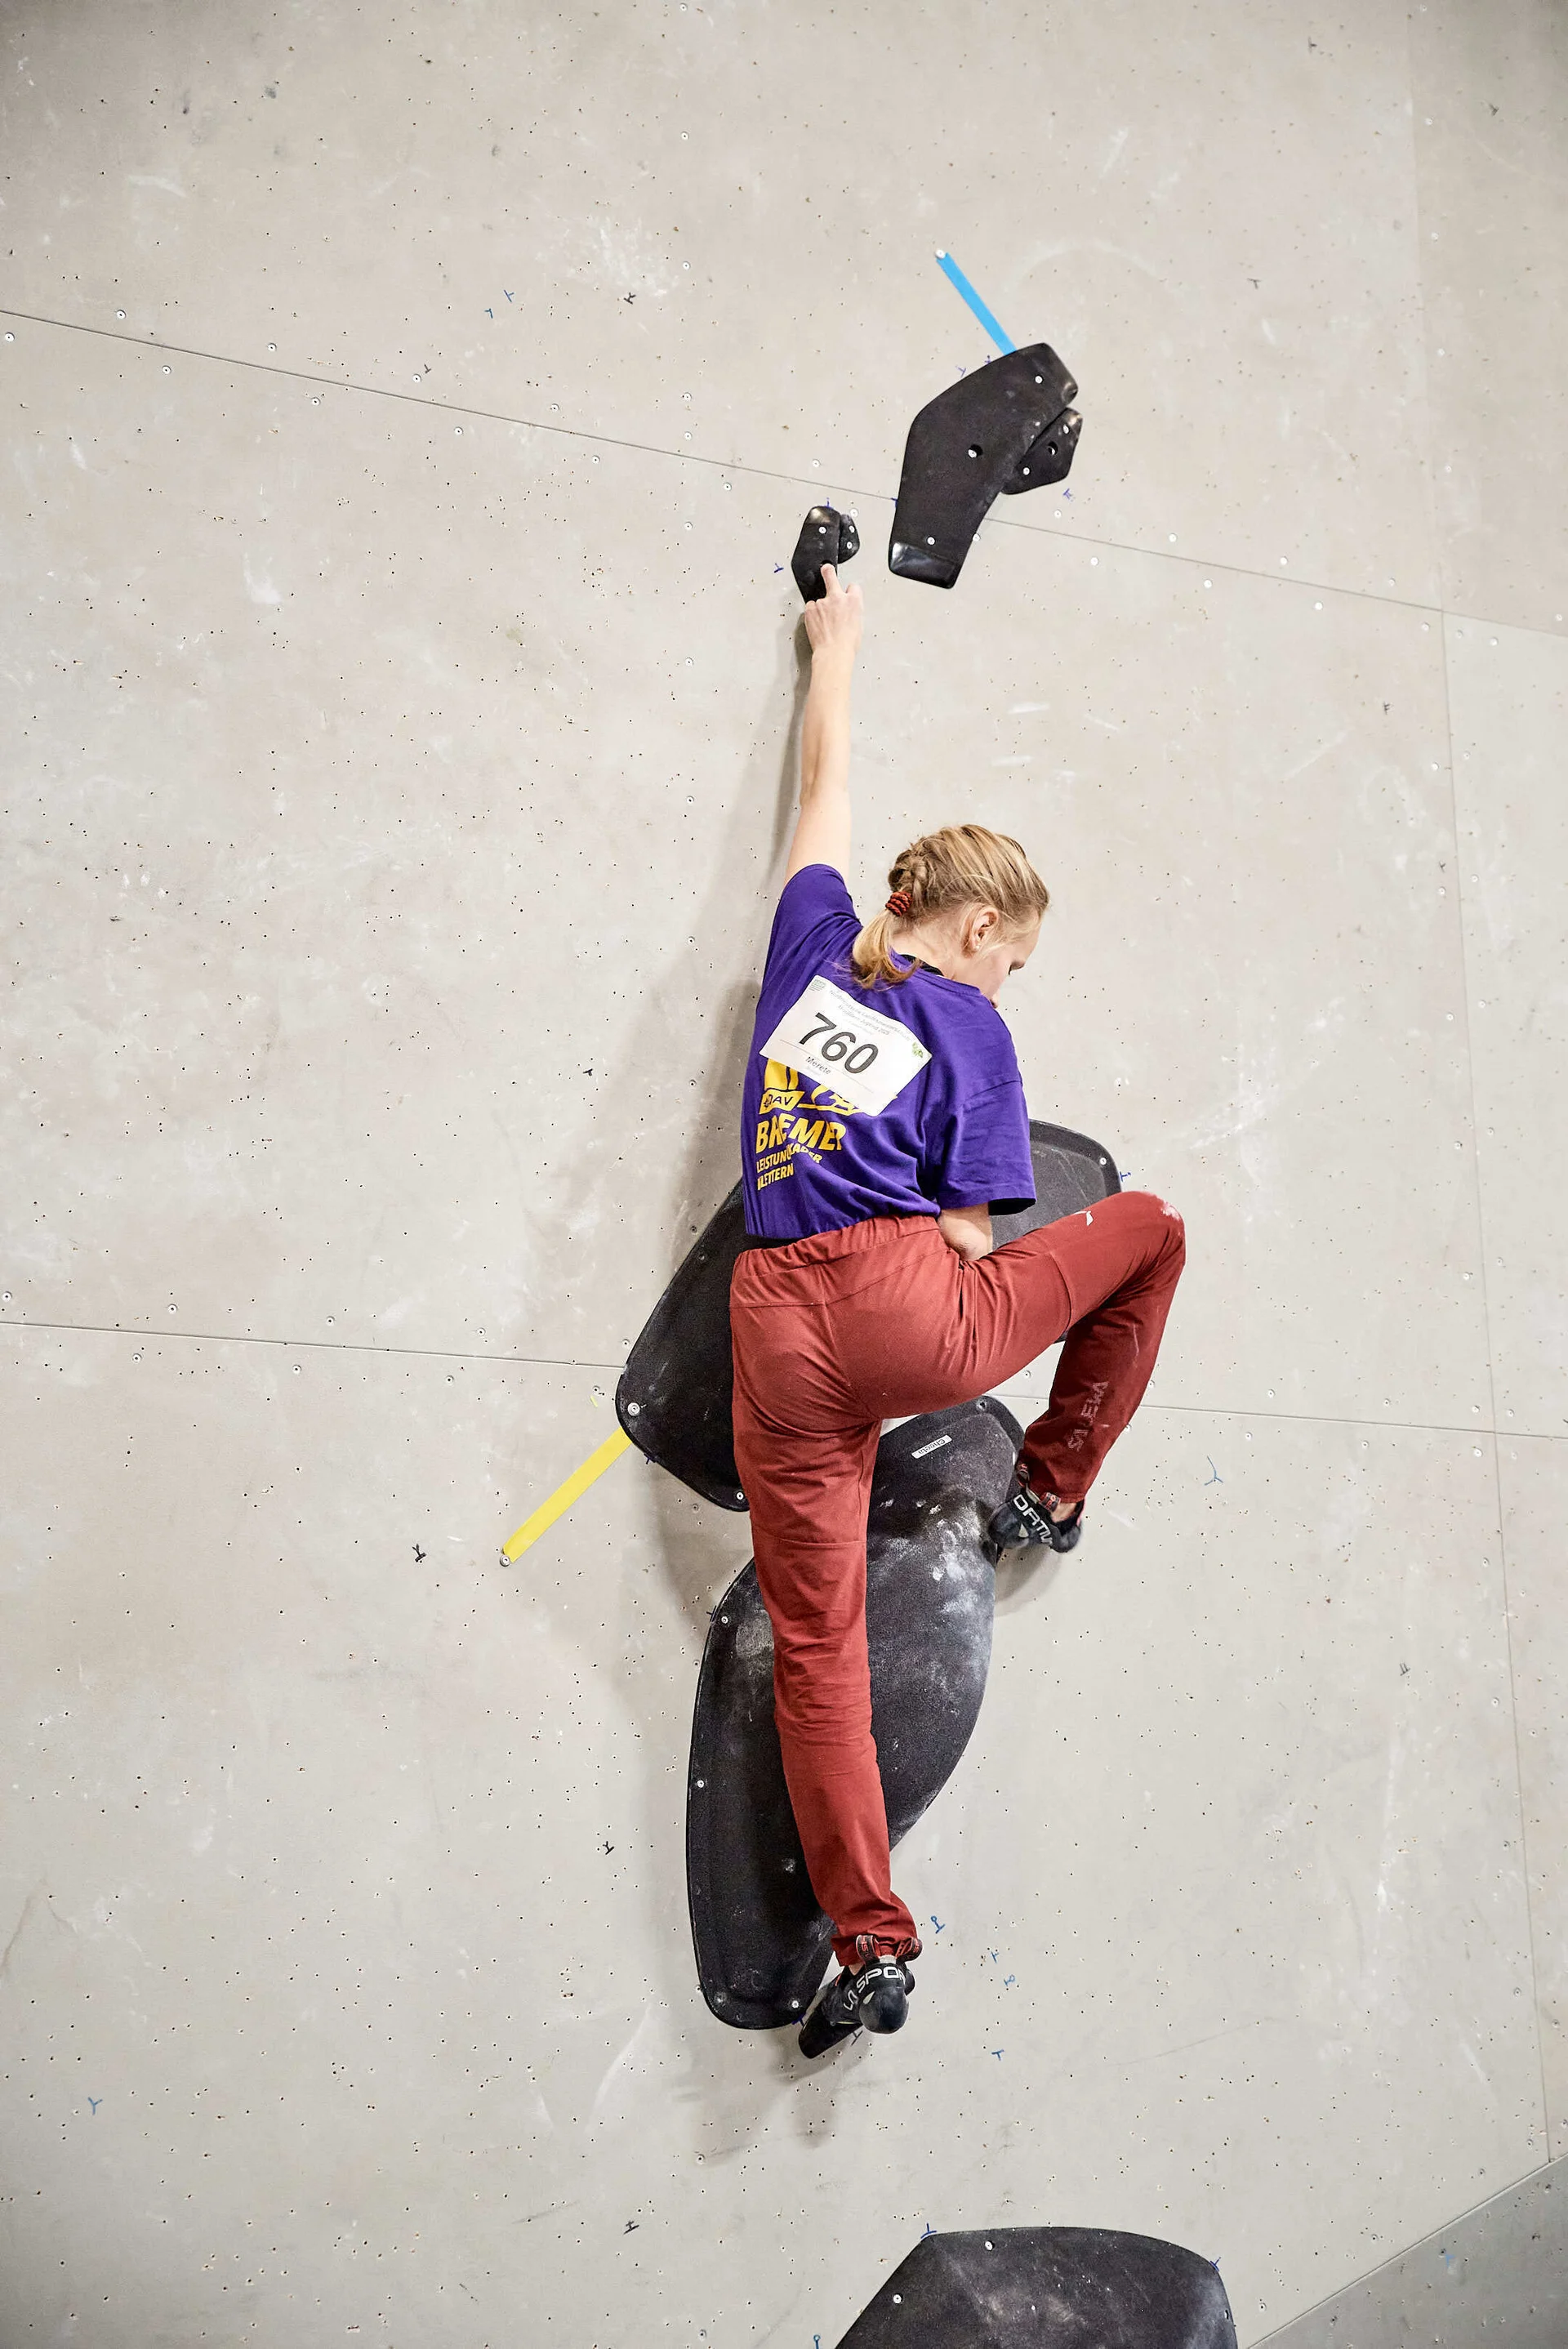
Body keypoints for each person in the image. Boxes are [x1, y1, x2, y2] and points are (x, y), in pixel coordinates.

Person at [731, 565, 1186, 2057]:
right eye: (1020, 953)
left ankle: (867, 1939)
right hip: (898, 1307)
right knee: (1151, 1232)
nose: (1017, 979)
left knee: (821, 1645)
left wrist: (834, 647)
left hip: (769, 1331)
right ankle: (1051, 1491)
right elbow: (972, 1228)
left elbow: (824, 800)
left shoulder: (811, 958)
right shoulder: (970, 1023)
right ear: (980, 928)